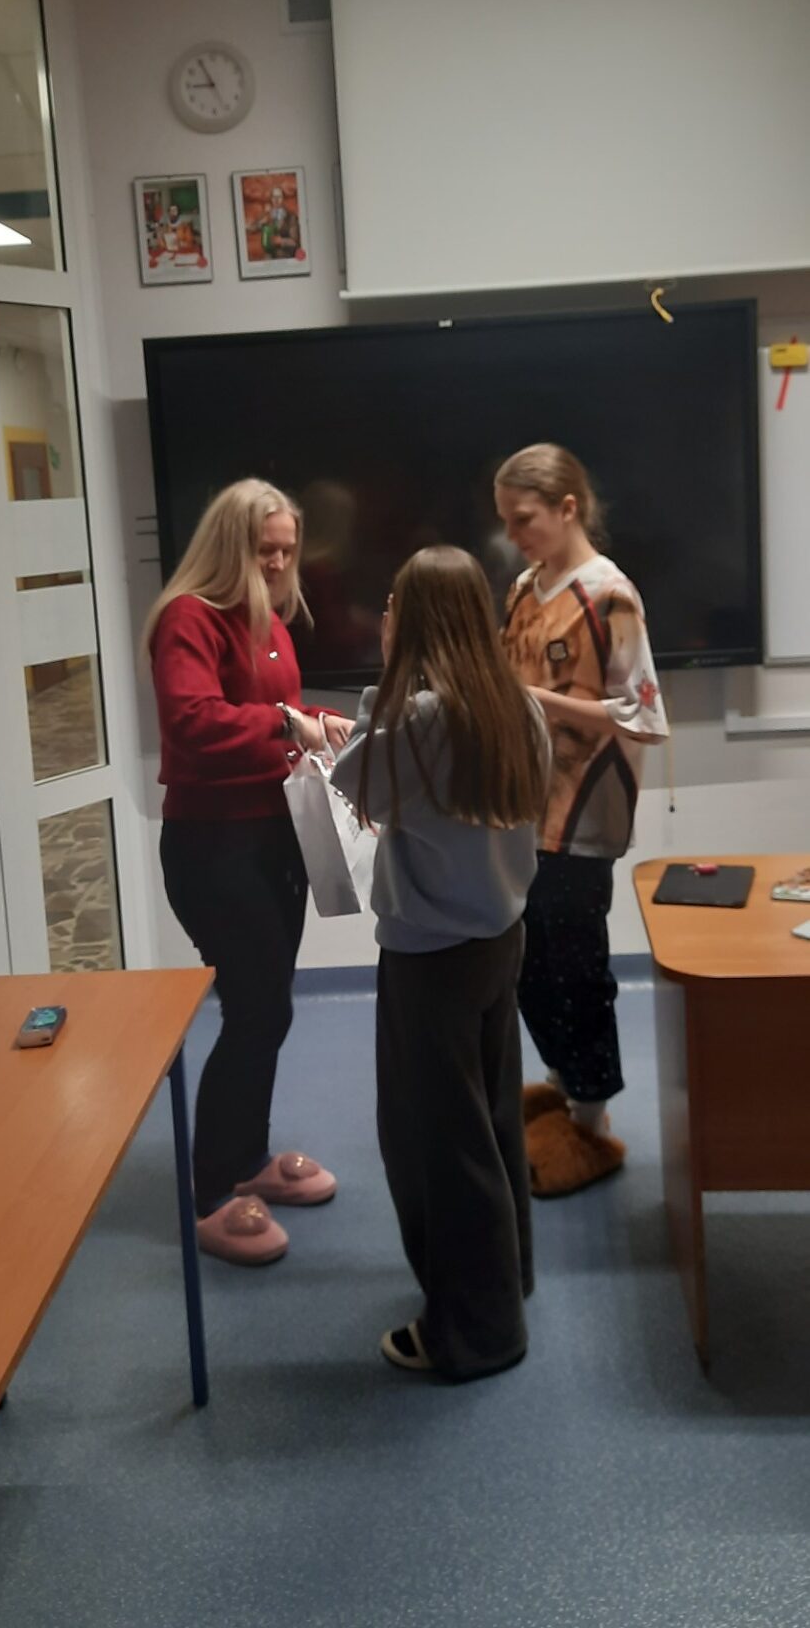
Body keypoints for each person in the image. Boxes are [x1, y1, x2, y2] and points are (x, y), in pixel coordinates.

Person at [332, 547, 549, 1381]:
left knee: (436, 1146)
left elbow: (356, 783)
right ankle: (504, 1280)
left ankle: (475, 1333)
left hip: (429, 961)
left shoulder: (420, 720)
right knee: (489, 1121)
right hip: (497, 942)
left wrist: (380, 685)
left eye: (394, 607)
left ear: (412, 620)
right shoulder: (515, 705)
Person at [145, 478, 352, 1266]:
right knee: (254, 1011)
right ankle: (209, 1195)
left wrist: (316, 725)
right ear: (227, 545)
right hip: (214, 846)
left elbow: (277, 715)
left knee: (268, 1009)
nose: (276, 563)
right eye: (263, 550)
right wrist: (285, 722)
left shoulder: (267, 619)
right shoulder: (187, 619)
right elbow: (193, 721)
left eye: (286, 550)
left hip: (273, 838)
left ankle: (246, 1160)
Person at [494, 444, 669, 1198]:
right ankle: (563, 1088)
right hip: (518, 810)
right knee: (525, 965)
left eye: (523, 519)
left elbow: (644, 715)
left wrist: (540, 703)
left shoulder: (609, 596)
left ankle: (591, 1120)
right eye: (505, 521)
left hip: (581, 815)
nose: (512, 536)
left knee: (574, 968)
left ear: (568, 508)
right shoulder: (523, 589)